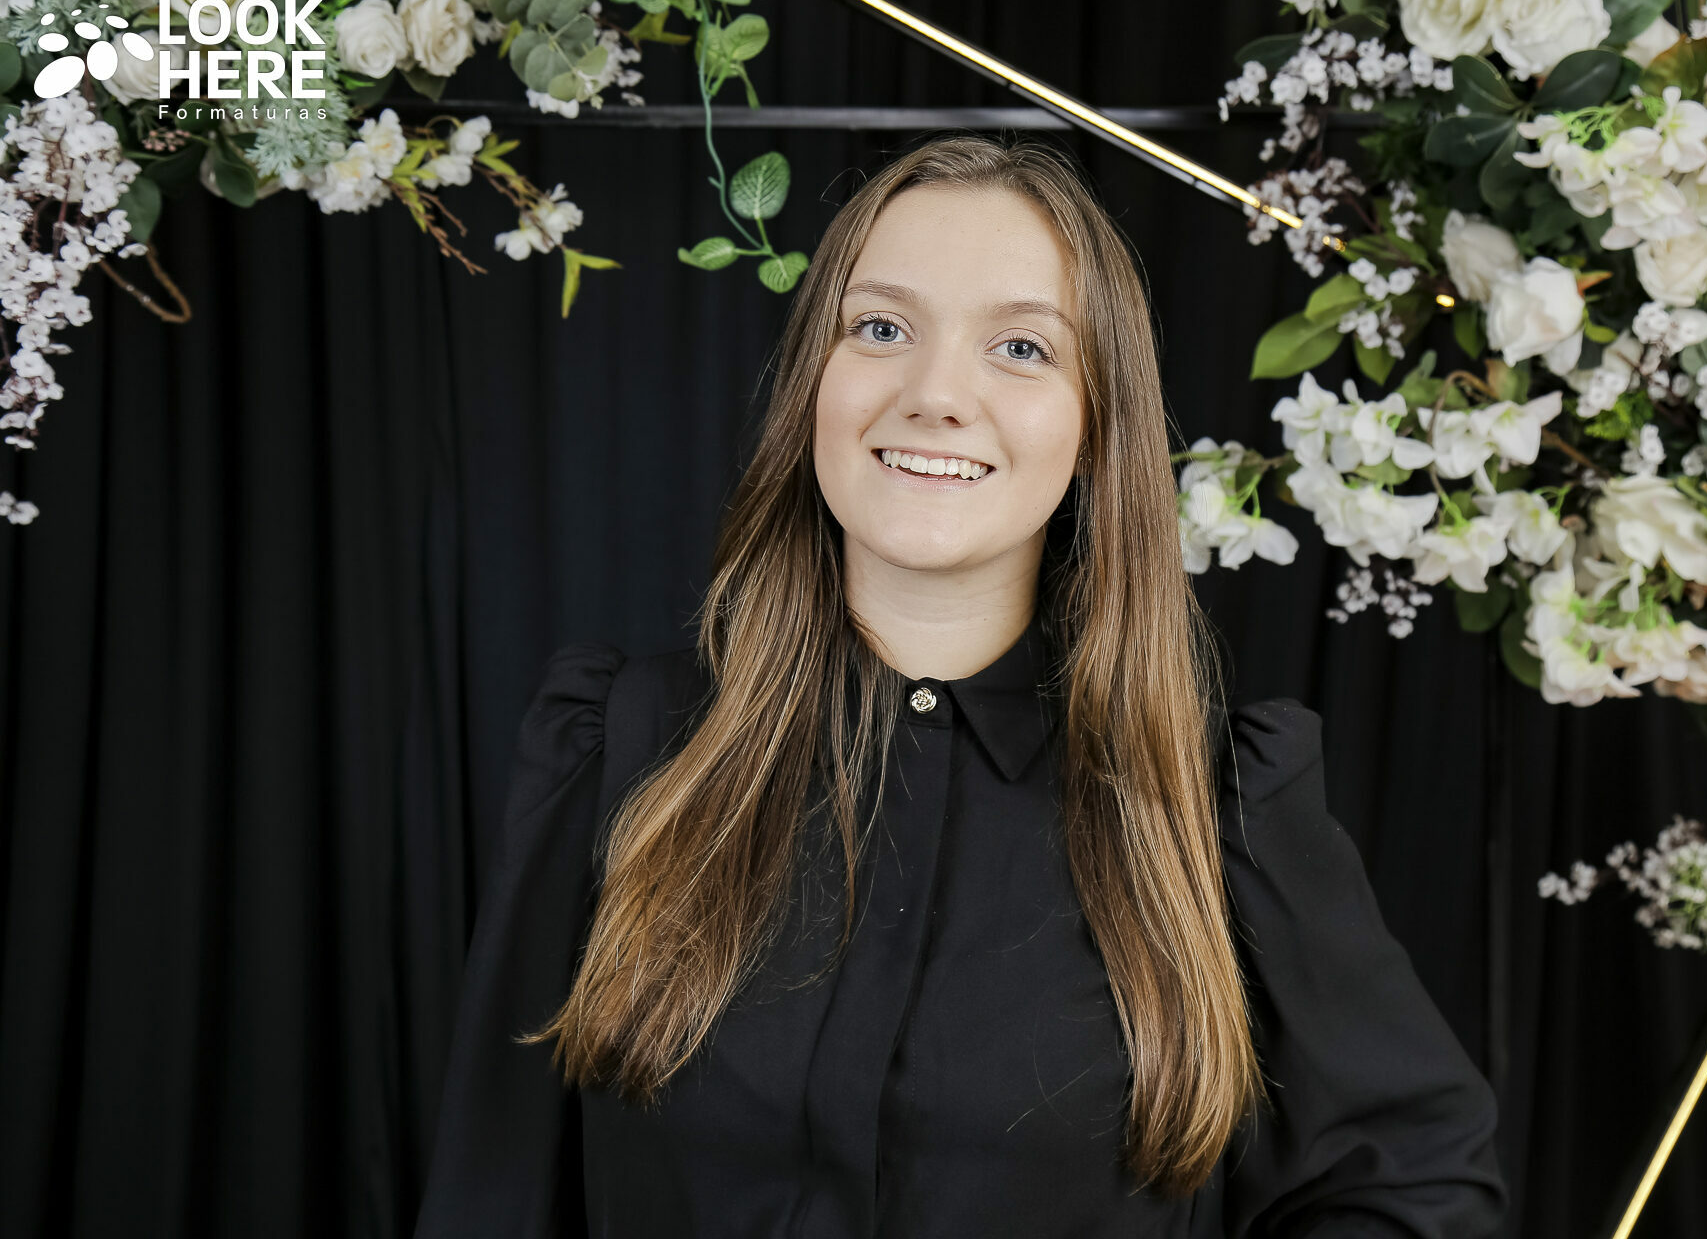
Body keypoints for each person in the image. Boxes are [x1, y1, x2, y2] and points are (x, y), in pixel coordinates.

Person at [414, 133, 1506, 1238]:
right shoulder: (624, 747)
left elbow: (1416, 1183)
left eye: (1021, 347)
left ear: (1096, 424)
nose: (935, 394)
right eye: (881, 328)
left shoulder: (1218, 801)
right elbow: (490, 1195)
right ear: (811, 382)